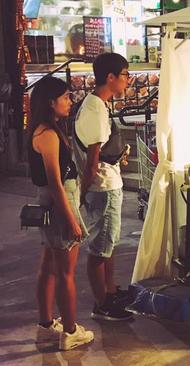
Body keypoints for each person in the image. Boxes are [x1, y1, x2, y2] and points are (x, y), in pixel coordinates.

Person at [29, 76, 95, 350]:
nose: (70, 101)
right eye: (66, 97)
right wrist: (71, 219)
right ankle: (70, 331)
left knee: (48, 267)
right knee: (66, 272)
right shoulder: (47, 135)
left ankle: (46, 326)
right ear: (50, 102)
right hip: (59, 204)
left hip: (54, 202)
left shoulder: (45, 130)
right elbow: (55, 183)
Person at [72, 52, 132, 321]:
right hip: (103, 187)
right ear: (110, 77)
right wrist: (83, 193)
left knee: (108, 243)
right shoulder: (95, 108)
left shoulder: (98, 105)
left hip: (108, 183)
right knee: (100, 248)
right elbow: (92, 160)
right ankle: (102, 303)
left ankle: (110, 292)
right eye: (125, 75)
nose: (128, 80)